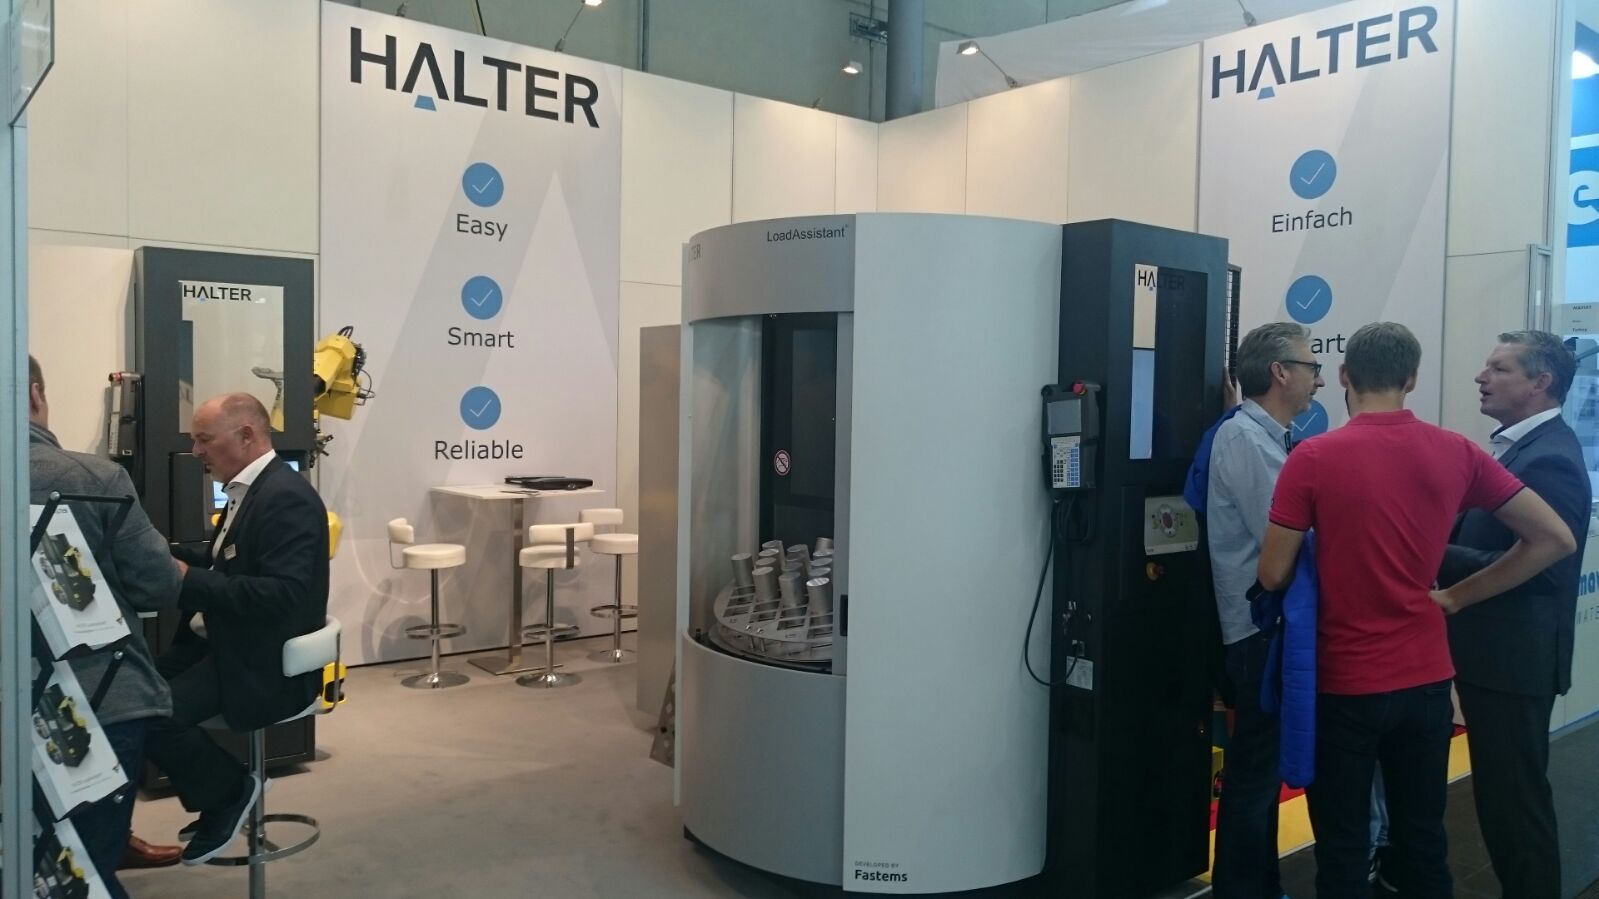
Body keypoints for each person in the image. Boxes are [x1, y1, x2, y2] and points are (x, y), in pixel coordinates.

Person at [1257, 322, 1576, 898]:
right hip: (1426, 681)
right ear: (1411, 379)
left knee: (1343, 847)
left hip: (1345, 680)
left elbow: (1273, 574)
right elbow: (1554, 539)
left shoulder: (1313, 456)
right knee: (1423, 842)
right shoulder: (1457, 451)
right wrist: (1454, 597)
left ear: (1345, 376)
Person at [142, 393, 329, 865]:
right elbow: (229, 561)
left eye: (204, 440)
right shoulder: (253, 490)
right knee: (130, 696)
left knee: (154, 714)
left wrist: (189, 578)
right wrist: (167, 556)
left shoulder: (286, 499)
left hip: (257, 658)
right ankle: (215, 792)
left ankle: (229, 792)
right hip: (221, 642)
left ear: (246, 435)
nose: (196, 452)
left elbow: (281, 594)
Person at [1439, 331, 1589, 899]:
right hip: (1496, 659)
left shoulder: (1550, 458)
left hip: (1514, 664)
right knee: (1504, 801)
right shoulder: (1520, 447)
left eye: (1500, 368)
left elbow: (1545, 567)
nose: (1482, 377)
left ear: (1540, 382)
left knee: (1515, 807)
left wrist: (1436, 555)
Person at [26, 356, 184, 894]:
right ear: (35, 394)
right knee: (81, 872)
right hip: (96, 699)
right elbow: (158, 585)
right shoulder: (93, 478)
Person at [1206, 323, 1322, 898]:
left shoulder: (1265, 436)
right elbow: (1284, 539)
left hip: (1269, 628)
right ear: (1280, 372)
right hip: (1258, 632)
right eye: (1310, 366)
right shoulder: (1247, 441)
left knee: (1262, 770)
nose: (1317, 379)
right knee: (1255, 773)